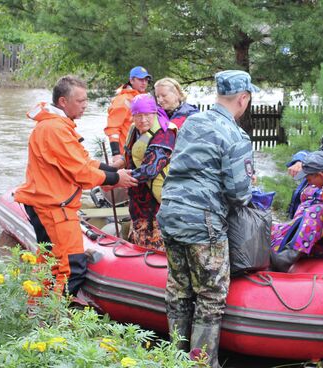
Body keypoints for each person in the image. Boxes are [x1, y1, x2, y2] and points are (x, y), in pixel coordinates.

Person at [157, 70, 258, 368]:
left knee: (178, 289)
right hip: (204, 223)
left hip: (171, 212)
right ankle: (202, 364)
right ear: (243, 98)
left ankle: (175, 358)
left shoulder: (193, 122)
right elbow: (239, 194)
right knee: (211, 295)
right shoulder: (236, 135)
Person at [14, 76, 138, 296]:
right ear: (63, 101)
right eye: (80, 101)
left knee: (51, 264)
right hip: (53, 207)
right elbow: (81, 172)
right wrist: (116, 179)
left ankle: (39, 314)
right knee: (71, 269)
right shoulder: (55, 129)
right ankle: (55, 320)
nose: (85, 105)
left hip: (52, 204)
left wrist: (112, 170)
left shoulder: (57, 125)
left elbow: (83, 162)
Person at [121, 95, 178, 250]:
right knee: (138, 242)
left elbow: (150, 169)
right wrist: (116, 165)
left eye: (147, 114)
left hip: (158, 201)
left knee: (155, 247)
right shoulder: (134, 130)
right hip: (138, 198)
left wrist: (115, 180)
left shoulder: (165, 133)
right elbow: (128, 155)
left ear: (155, 112)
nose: (143, 119)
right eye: (138, 115)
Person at [105, 66, 152, 162]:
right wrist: (115, 153)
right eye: (140, 79)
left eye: (146, 80)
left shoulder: (144, 97)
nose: (144, 83)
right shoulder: (122, 100)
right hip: (126, 154)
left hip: (141, 151)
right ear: (131, 80)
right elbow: (113, 129)